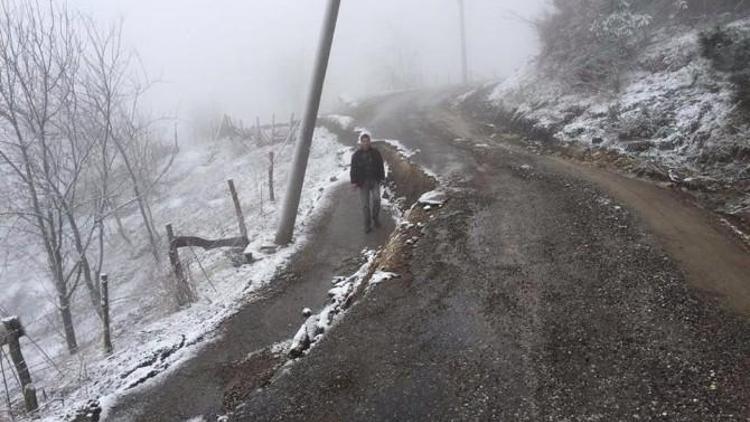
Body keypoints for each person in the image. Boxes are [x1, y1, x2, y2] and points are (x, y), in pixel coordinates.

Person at [350, 131, 385, 233]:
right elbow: (353, 169)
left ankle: (375, 218)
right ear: (361, 142)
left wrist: (381, 178)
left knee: (377, 200)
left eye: (367, 141)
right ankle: (367, 224)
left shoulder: (376, 153)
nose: (365, 143)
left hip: (374, 180)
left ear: (370, 142)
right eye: (363, 141)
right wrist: (354, 182)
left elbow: (380, 166)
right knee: (365, 205)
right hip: (363, 182)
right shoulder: (356, 155)